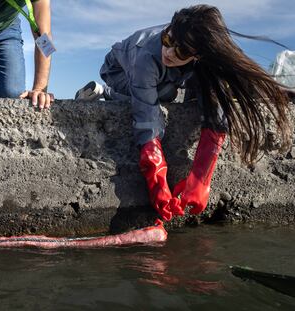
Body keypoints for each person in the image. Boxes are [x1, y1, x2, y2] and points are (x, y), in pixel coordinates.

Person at [75, 5, 292, 221]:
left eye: (181, 51)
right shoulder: (147, 56)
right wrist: (157, 181)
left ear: (197, 54)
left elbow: (219, 108)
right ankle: (107, 92)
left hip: (175, 74)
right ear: (168, 30)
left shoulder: (200, 53)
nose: (168, 52)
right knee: (164, 94)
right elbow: (147, 119)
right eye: (168, 41)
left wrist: (200, 179)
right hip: (118, 72)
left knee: (211, 84)